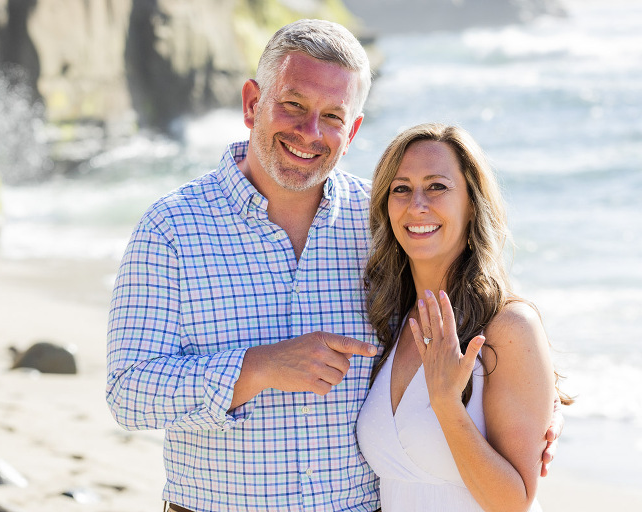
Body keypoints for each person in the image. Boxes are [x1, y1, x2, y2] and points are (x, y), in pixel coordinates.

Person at [106, 19, 560, 512]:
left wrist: (540, 407)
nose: (309, 132)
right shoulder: (171, 228)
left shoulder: (384, 221)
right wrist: (257, 367)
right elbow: (128, 392)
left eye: (332, 116)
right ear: (252, 103)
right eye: (293, 105)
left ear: (353, 130)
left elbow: (481, 309)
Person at [357, 123, 572, 511]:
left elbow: (514, 502)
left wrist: (446, 403)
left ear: (472, 203)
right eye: (400, 188)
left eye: (437, 186)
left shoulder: (508, 326)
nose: (416, 204)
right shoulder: (391, 322)